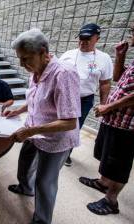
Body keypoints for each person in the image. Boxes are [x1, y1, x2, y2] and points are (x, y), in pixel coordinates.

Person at [4, 29, 80, 224]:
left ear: (44, 52)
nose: (22, 65)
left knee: (45, 182)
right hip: (34, 129)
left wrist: (31, 131)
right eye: (20, 59)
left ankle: (42, 219)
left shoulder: (64, 74)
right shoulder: (36, 70)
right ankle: (25, 187)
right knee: (24, 165)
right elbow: (35, 99)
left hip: (57, 139)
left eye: (26, 59)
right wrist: (18, 111)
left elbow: (69, 122)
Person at [79, 26, 134, 216]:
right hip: (115, 120)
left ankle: (111, 201)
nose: (131, 35)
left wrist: (108, 107)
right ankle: (103, 183)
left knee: (120, 162)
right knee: (108, 155)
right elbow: (119, 78)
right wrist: (120, 56)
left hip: (128, 125)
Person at [60, 23, 113, 166]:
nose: (82, 42)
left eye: (87, 39)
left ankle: (66, 153)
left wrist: (104, 105)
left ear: (97, 39)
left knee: (75, 127)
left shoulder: (104, 58)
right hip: (64, 97)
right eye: (81, 38)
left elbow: (105, 83)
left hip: (85, 99)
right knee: (60, 123)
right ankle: (55, 149)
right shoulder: (68, 55)